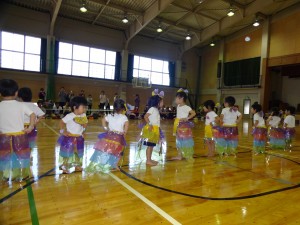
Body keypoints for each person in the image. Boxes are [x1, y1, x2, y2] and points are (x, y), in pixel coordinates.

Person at [0, 79, 35, 182]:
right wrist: (30, 127)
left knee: (3, 156)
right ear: (16, 93)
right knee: (21, 156)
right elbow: (32, 115)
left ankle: (5, 176)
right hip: (20, 136)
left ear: (1, 93)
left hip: (3, 137)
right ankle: (21, 175)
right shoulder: (21, 105)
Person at [86, 99, 128, 173]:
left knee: (108, 150)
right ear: (122, 108)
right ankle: (114, 164)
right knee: (117, 152)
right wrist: (125, 132)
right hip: (118, 137)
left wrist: (105, 128)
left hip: (109, 135)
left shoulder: (110, 115)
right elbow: (126, 124)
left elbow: (103, 120)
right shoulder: (124, 117)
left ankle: (105, 163)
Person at [57, 96, 88, 174]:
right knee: (68, 153)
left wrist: (83, 131)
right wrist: (62, 131)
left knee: (78, 152)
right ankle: (65, 166)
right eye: (83, 107)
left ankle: (77, 166)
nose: (84, 109)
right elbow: (61, 122)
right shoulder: (70, 116)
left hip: (79, 138)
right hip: (69, 138)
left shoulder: (83, 115)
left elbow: (85, 123)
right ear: (75, 107)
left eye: (85, 107)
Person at [139, 90, 164, 166]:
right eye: (162, 101)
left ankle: (149, 159)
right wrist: (149, 124)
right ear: (157, 102)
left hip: (155, 129)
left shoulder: (156, 110)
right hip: (151, 129)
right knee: (150, 145)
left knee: (152, 145)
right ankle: (148, 160)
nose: (163, 103)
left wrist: (158, 131)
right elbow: (145, 116)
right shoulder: (152, 109)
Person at [172, 89, 196, 161]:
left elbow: (194, 113)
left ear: (182, 98)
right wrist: (177, 118)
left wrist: (187, 118)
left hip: (184, 126)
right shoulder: (178, 106)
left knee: (185, 140)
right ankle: (179, 155)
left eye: (177, 98)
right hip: (178, 125)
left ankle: (187, 154)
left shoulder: (187, 107)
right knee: (178, 140)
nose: (175, 99)